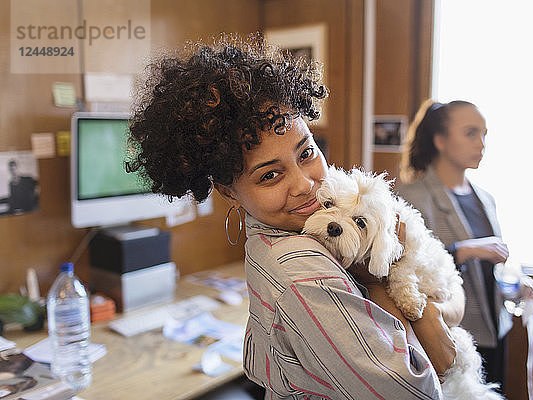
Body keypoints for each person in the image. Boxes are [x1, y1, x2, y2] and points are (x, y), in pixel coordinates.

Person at [126, 37, 459, 399]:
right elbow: (418, 393)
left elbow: (453, 290)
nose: (305, 185)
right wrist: (383, 284)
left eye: (306, 152)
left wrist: (434, 312)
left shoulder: (287, 231)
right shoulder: (302, 270)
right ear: (228, 191)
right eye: (270, 175)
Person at [397, 99, 533, 393]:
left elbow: (494, 265)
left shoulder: (486, 198)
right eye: (471, 133)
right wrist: (465, 250)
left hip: (495, 330)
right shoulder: (412, 198)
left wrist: (516, 285)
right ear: (440, 140)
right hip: (451, 334)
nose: (482, 144)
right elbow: (405, 266)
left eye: (485, 134)